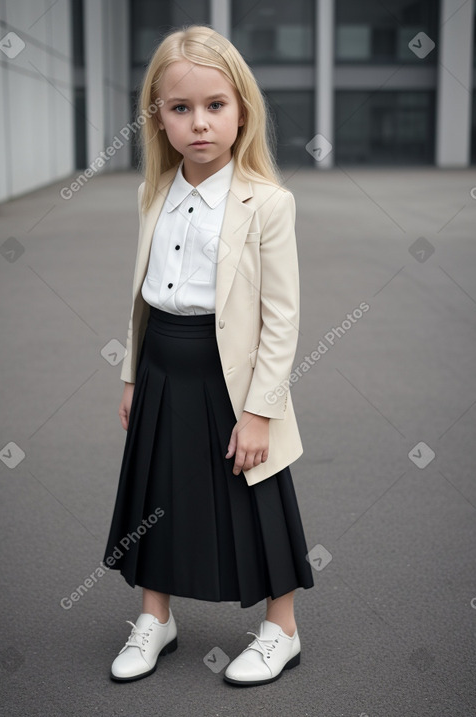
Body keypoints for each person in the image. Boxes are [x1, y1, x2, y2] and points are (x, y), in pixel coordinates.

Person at [101, 23, 315, 687]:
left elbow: (281, 317)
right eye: (181, 108)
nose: (199, 123)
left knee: (255, 493)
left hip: (234, 376)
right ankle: (155, 616)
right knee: (155, 491)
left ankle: (281, 628)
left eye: (215, 105)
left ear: (242, 110)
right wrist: (134, 372)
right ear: (158, 118)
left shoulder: (268, 204)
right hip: (163, 360)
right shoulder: (152, 194)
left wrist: (260, 411)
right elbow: (141, 295)